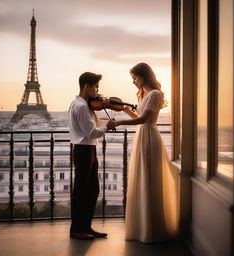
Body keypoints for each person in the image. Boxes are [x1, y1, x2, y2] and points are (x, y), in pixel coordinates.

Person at [110, 63, 179, 243]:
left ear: (144, 76)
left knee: (148, 178)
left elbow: (144, 119)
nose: (133, 82)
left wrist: (119, 123)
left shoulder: (155, 94)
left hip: (149, 136)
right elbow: (140, 119)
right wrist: (124, 109)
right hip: (144, 135)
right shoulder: (148, 95)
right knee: (144, 178)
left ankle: (150, 228)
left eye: (135, 78)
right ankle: (144, 227)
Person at [68, 72, 113, 240]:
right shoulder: (81, 106)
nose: (97, 91)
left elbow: (93, 126)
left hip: (87, 149)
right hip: (84, 150)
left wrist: (105, 117)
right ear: (87, 86)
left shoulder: (83, 105)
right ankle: (77, 229)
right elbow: (92, 132)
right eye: (96, 87)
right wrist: (107, 127)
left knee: (92, 189)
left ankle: (85, 226)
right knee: (82, 190)